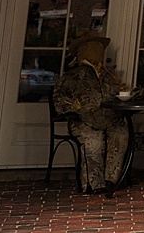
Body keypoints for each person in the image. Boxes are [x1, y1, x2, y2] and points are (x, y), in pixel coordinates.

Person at [51, 34, 128, 197]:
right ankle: (94, 183)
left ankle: (111, 180)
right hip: (84, 120)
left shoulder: (108, 76)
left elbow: (118, 92)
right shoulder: (73, 76)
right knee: (94, 142)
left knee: (121, 134)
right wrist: (75, 108)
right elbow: (59, 100)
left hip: (110, 119)